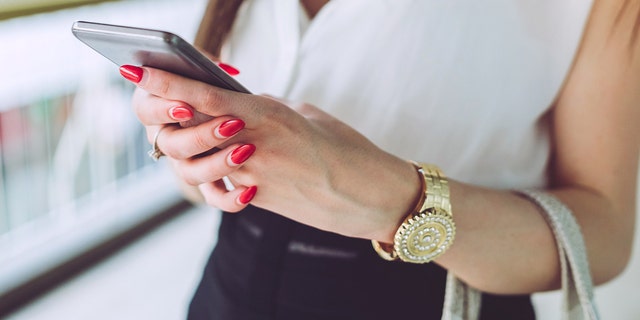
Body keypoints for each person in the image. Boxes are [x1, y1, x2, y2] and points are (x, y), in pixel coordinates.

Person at [119, 0, 639, 319]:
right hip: (227, 290)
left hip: (435, 301)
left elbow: (605, 236)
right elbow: (199, 189)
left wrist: (393, 199)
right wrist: (193, 149)